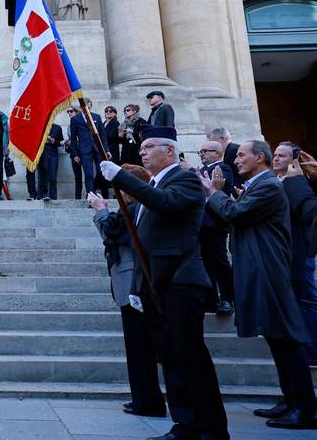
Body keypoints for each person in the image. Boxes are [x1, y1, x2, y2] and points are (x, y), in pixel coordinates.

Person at [100, 126, 228, 440]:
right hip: (158, 285)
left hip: (183, 281)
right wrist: (137, 289)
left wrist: (122, 177)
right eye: (141, 147)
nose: (142, 152)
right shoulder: (156, 184)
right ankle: (186, 424)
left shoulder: (183, 179)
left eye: (148, 147)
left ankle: (210, 429)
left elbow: (166, 204)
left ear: (169, 150)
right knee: (171, 358)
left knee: (190, 357)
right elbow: (144, 240)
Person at [200, 140, 317, 430]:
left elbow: (236, 214)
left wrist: (215, 193)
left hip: (268, 270)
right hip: (259, 268)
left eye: (241, 155)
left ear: (260, 159)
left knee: (285, 339)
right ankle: (291, 399)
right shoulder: (259, 184)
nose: (235, 159)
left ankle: (305, 408)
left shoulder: (267, 185)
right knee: (276, 338)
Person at [88, 165, 166, 418]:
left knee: (140, 346)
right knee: (138, 347)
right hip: (131, 282)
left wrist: (101, 211)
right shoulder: (133, 208)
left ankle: (147, 400)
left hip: (134, 284)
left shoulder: (134, 209)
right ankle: (143, 397)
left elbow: (111, 233)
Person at [274, 142, 317, 365]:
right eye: (275, 154)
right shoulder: (275, 182)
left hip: (302, 252)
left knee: (307, 299)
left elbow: (308, 211)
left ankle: (312, 350)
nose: (276, 158)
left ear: (294, 160)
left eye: (282, 155)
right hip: (284, 254)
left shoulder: (302, 182)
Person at [196, 140, 235, 316]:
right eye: (201, 151)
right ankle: (211, 299)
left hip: (214, 223)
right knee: (206, 263)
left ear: (218, 153)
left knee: (219, 262)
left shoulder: (222, 169)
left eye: (206, 151)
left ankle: (228, 298)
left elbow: (219, 194)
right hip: (201, 224)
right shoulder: (203, 170)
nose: (202, 154)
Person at [69, 98, 109, 195]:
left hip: (98, 148)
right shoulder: (75, 119)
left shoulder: (97, 117)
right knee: (88, 174)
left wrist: (107, 150)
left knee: (101, 172)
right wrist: (75, 154)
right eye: (83, 105)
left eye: (87, 105)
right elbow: (73, 139)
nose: (86, 107)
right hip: (84, 150)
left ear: (90, 105)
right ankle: (90, 196)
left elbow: (103, 136)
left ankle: (96, 189)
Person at [37, 123, 63, 201]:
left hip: (53, 153)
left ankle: (53, 197)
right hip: (41, 153)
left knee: (53, 176)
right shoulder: (39, 126)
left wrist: (54, 141)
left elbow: (60, 142)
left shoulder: (57, 127)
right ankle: (42, 195)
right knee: (42, 175)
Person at [64, 108, 83, 199]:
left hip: (84, 152)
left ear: (77, 112)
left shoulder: (82, 123)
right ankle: (77, 196)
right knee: (77, 175)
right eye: (68, 112)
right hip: (74, 153)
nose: (69, 113)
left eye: (71, 111)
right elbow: (72, 139)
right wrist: (68, 143)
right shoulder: (69, 126)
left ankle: (90, 195)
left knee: (88, 174)